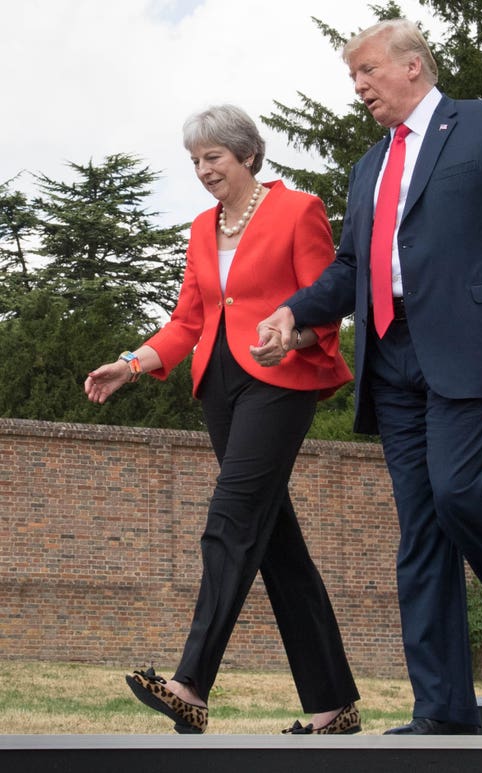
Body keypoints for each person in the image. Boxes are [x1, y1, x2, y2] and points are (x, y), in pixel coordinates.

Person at [254, 19, 482, 735]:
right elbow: (351, 267)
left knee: (461, 492)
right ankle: (441, 710)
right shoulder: (369, 166)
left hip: (477, 343)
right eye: (353, 79)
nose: (360, 88)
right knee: (422, 533)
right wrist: (293, 311)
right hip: (394, 355)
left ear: (414, 66)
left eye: (368, 73)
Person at [84, 104, 361, 736]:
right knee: (276, 544)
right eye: (195, 162)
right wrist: (132, 362)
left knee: (231, 519)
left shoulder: (298, 210)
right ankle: (335, 705)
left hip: (280, 379)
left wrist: (293, 339)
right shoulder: (201, 228)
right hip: (220, 386)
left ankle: (190, 685)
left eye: (213, 158)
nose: (203, 171)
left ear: (247, 155)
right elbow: (190, 320)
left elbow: (326, 299)